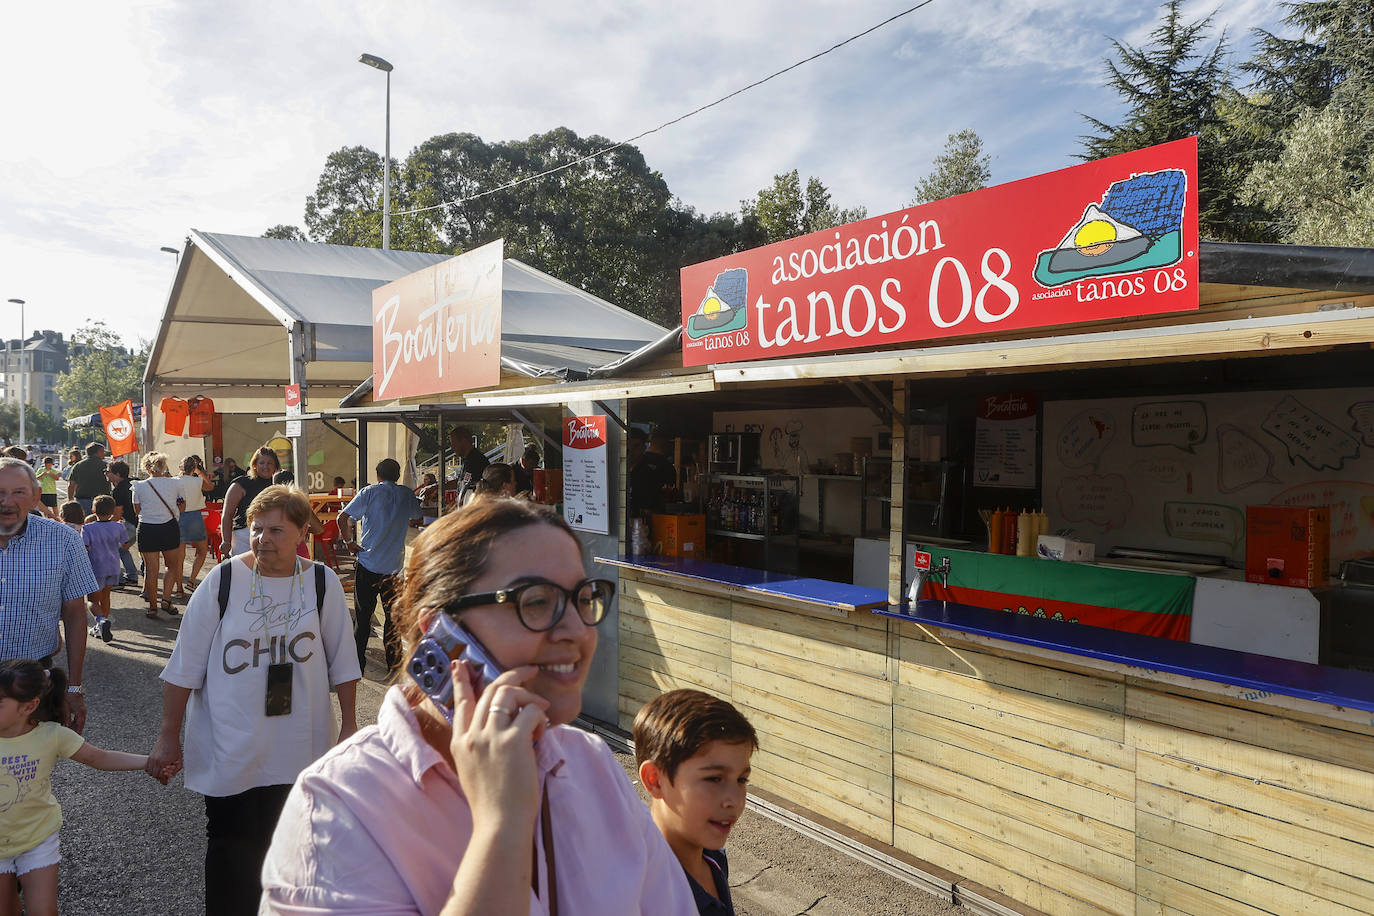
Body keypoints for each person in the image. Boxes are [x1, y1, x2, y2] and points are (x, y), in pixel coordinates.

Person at [260, 498, 696, 914]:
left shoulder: (591, 765)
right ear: (442, 632)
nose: (577, 630)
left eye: (584, 599)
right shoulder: (339, 807)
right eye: (537, 601)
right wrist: (501, 827)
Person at [147, 485, 360, 916]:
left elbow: (343, 663)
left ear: (302, 532)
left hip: (300, 744)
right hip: (232, 742)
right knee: (231, 843)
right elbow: (184, 666)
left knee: (294, 845)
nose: (264, 538)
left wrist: (349, 725)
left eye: (277, 530)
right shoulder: (223, 580)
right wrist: (168, 737)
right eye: (257, 529)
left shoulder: (322, 582)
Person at [0, 659, 154, 916]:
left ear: (29, 706)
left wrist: (150, 762)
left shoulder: (52, 735)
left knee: (43, 911)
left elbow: (100, 758)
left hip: (37, 839)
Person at [634, 689, 758, 916]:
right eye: (714, 779)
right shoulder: (642, 898)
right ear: (655, 780)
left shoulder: (714, 859)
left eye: (741, 779)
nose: (734, 800)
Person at [0, 458, 98, 734]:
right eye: (0, 492)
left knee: (27, 769)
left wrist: (74, 688)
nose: (7, 501)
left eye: (18, 492)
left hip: (32, 684)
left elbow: (76, 614)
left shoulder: (63, 540)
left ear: (35, 498)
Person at [339, 458, 422, 676]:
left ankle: (357, 664)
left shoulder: (369, 493)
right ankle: (394, 665)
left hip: (368, 562)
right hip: (393, 569)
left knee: (363, 618)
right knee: (393, 619)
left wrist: (349, 542)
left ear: (377, 474)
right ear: (398, 474)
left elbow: (343, 517)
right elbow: (418, 518)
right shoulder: (406, 494)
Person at [133, 452, 184, 619]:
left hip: (147, 527)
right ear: (164, 466)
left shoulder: (138, 486)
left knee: (151, 569)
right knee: (172, 565)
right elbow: (182, 506)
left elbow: (137, 510)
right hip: (169, 526)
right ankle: (166, 600)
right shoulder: (175, 483)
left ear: (146, 467)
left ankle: (153, 606)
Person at [81, 496, 126, 645]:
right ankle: (102, 624)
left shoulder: (87, 528)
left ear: (93, 511)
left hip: (96, 567)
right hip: (113, 566)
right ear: (113, 511)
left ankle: (101, 621)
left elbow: (84, 547)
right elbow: (125, 544)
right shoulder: (119, 526)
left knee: (92, 600)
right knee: (106, 595)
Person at [220, 446, 277, 558]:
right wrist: (226, 542)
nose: (265, 466)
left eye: (269, 463)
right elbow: (227, 514)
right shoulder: (241, 484)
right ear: (254, 465)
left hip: (272, 535)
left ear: (275, 466)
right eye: (262, 463)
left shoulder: (278, 484)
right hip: (244, 536)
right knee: (243, 572)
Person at [176, 455, 214, 594]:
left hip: (178, 516)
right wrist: (200, 472)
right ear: (194, 468)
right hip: (194, 516)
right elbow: (210, 486)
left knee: (180, 556)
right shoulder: (197, 481)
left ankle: (179, 588)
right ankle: (191, 581)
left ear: (180, 467)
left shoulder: (174, 481)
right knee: (202, 551)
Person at [271, 470, 324, 559]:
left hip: (278, 552)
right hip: (298, 551)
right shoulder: (299, 503)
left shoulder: (269, 504)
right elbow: (318, 529)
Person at [105, 460, 140, 587]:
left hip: (129, 524)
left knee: (111, 549)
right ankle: (131, 576)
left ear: (117, 474)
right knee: (122, 550)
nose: (106, 474)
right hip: (141, 523)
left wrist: (102, 524)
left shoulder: (119, 490)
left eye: (108, 471)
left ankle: (118, 581)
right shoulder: (135, 481)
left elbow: (117, 515)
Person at [628, 428, 676, 518]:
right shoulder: (616, 470)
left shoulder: (655, 469)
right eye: (628, 446)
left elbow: (668, 497)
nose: (631, 451)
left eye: (635, 446)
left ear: (644, 447)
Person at [65, 443, 110, 514]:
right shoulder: (105, 466)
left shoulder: (78, 465)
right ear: (97, 452)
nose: (104, 453)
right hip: (102, 501)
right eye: (102, 451)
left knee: (84, 522)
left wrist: (70, 500)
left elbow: (71, 485)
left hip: (82, 500)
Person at [448, 424, 489, 500]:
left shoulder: (477, 460)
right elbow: (462, 481)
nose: (452, 447)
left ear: (464, 441)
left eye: (454, 443)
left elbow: (471, 486)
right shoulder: (467, 459)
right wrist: (438, 487)